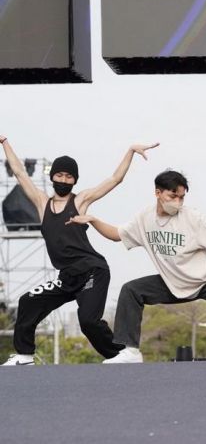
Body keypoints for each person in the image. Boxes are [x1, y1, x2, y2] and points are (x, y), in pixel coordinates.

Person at [67, 170, 206, 363]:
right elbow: (116, 235)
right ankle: (130, 350)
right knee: (131, 290)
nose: (177, 202)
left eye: (181, 197)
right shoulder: (145, 218)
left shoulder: (192, 217)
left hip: (205, 279)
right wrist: (93, 220)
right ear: (158, 193)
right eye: (172, 196)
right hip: (171, 282)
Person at [0, 135, 158, 366]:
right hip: (67, 278)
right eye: (60, 175)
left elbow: (114, 179)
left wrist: (131, 151)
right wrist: (4, 142)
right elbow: (20, 173)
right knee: (28, 301)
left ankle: (121, 355)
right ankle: (24, 356)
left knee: (88, 321)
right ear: (52, 177)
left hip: (92, 271)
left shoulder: (80, 201)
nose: (64, 180)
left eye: (69, 176)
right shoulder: (42, 203)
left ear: (74, 180)